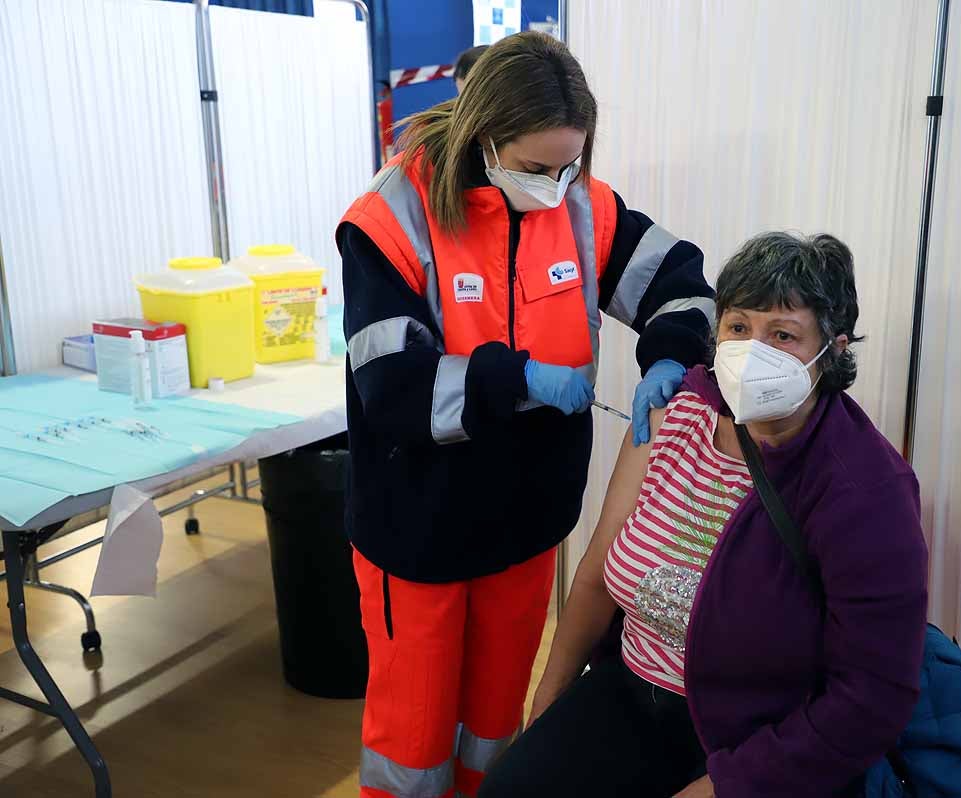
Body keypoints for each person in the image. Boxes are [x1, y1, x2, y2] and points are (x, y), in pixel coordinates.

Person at [337, 31, 714, 798]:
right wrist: (520, 381)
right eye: (539, 167)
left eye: (571, 164)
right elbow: (392, 387)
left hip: (526, 526)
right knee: (414, 744)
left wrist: (669, 356)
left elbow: (682, 281)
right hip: (420, 534)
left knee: (493, 724)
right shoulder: (390, 219)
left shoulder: (581, 207)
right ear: (486, 136)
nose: (557, 183)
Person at [479, 232, 930, 798]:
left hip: (762, 737)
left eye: (783, 335)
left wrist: (725, 787)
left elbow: (871, 699)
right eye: (738, 327)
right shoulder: (678, 413)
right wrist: (546, 707)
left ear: (834, 351)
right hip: (632, 693)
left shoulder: (865, 490)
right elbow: (596, 575)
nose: (752, 351)